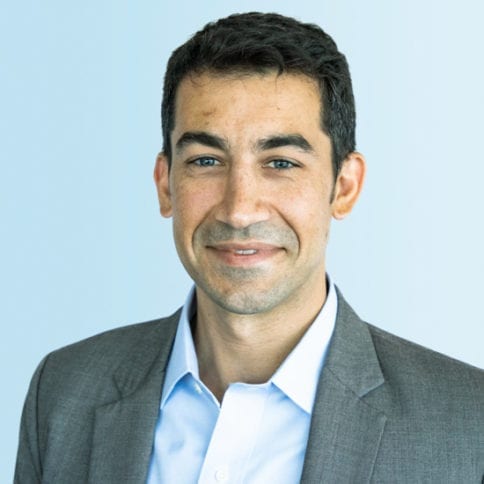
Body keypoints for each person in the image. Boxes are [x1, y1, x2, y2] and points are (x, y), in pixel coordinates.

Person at [15, 12, 483, 483]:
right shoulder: (62, 393)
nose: (239, 210)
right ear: (165, 184)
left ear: (344, 186)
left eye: (280, 163)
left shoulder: (469, 425)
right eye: (206, 161)